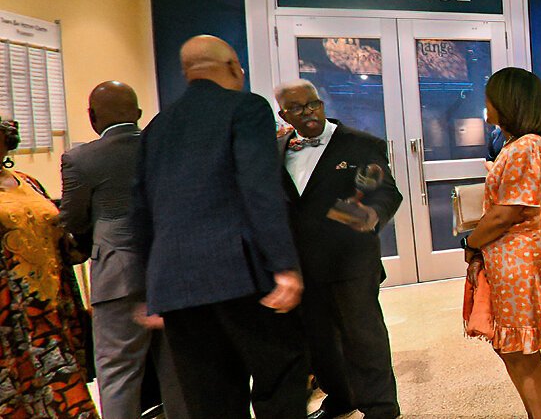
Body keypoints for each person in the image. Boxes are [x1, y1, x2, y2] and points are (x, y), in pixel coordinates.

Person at [131, 35, 308, 418]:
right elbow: (260, 187)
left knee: (209, 398)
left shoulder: (157, 127)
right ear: (232, 67)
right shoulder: (246, 107)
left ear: (186, 72)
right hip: (241, 274)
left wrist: (148, 289)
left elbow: (140, 209)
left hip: (175, 284)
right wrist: (284, 265)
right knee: (280, 374)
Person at [273, 80, 403, 419]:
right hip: (302, 264)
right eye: (297, 108)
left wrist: (369, 215)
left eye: (313, 103)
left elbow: (385, 193)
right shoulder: (277, 149)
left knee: (363, 338)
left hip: (351, 261)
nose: (309, 112)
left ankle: (380, 408)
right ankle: (341, 399)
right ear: (283, 113)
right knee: (320, 343)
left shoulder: (359, 145)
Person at [58, 82, 188, 419]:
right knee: (178, 375)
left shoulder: (81, 158)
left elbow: (72, 217)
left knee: (118, 374)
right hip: (173, 273)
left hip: (117, 276)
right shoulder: (167, 148)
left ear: (91, 117)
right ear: (139, 114)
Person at [461, 67, 541, 419]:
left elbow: (508, 211)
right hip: (511, 257)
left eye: (490, 96)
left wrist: (472, 243)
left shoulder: (526, 146)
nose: (485, 104)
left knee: (520, 352)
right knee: (513, 351)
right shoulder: (516, 144)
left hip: (518, 260)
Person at [0, 117, 98, 417]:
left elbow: (58, 228)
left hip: (52, 303)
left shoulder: (28, 182)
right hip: (10, 310)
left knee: (64, 385)